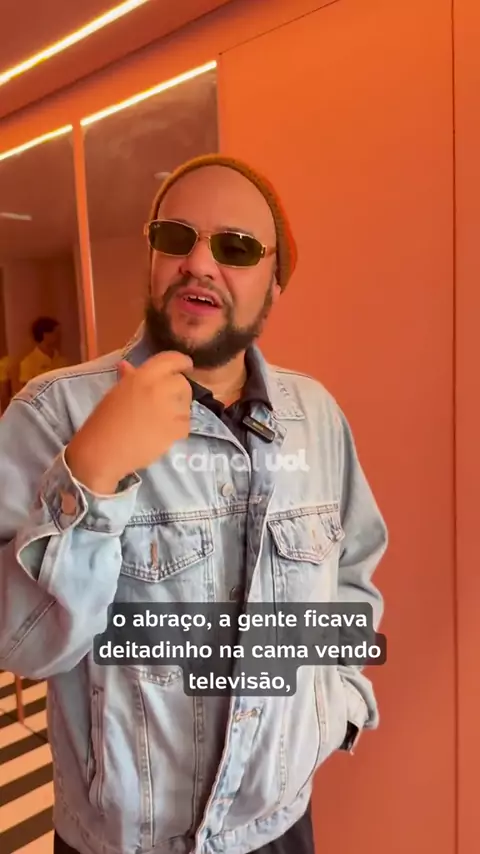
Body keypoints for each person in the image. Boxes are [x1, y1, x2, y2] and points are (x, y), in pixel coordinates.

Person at [0, 154, 388, 854]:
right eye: (177, 237)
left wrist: (338, 707)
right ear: (154, 258)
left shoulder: (316, 418)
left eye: (235, 247)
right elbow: (21, 648)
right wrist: (93, 473)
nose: (199, 263)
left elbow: (353, 574)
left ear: (274, 282)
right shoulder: (54, 414)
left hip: (280, 826)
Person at [18, 315, 66, 385]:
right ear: (45, 335)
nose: (59, 337)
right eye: (56, 333)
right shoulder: (28, 363)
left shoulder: (62, 361)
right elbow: (27, 389)